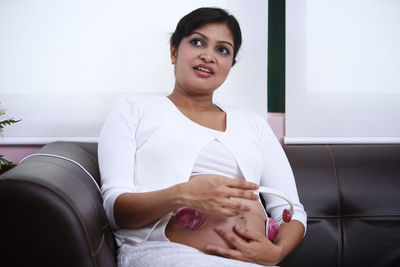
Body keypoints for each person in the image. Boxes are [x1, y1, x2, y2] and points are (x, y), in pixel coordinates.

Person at [98, 7, 307, 267]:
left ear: (230, 65)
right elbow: (116, 210)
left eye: (223, 50)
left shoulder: (253, 124)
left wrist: (278, 252)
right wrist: (183, 194)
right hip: (166, 254)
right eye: (197, 42)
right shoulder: (134, 109)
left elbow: (292, 210)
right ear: (174, 51)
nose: (209, 56)